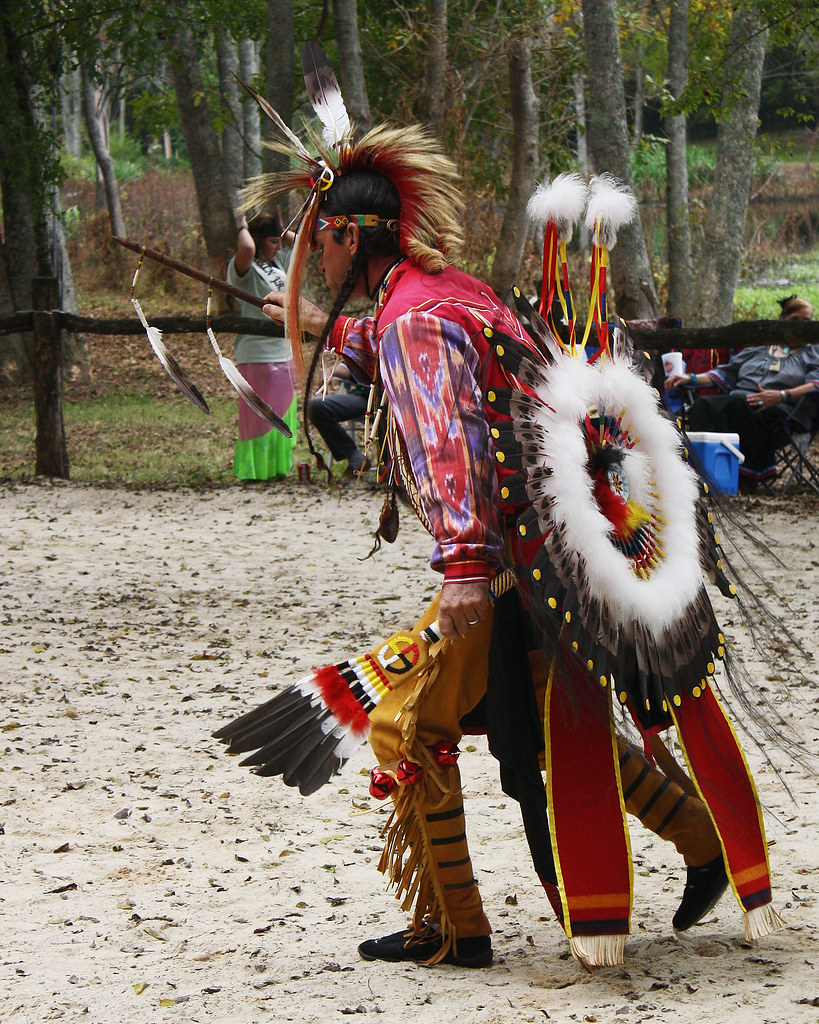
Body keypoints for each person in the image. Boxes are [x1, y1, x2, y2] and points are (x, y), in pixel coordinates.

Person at [255, 112, 781, 971]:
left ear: (351, 236)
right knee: (535, 726)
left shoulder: (411, 321)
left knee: (405, 724)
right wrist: (324, 323)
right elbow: (425, 357)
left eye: (322, 242)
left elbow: (451, 439)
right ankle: (697, 839)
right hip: (555, 552)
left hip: (505, 564)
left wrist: (463, 565)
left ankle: (455, 929)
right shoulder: (443, 292)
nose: (316, 256)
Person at [665, 296, 818, 488]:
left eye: (807, 322)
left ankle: (744, 477)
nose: (802, 326)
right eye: (796, 320)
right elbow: (727, 371)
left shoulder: (813, 353)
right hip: (739, 403)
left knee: (734, 407)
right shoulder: (760, 348)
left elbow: (816, 384)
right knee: (704, 405)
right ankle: (700, 472)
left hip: (783, 410)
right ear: (782, 319)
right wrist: (691, 378)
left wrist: (780, 395)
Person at [226, 211, 297, 480]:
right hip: (257, 353)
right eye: (272, 241)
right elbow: (246, 247)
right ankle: (255, 471)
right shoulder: (243, 268)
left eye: (279, 241)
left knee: (282, 411)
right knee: (259, 415)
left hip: (284, 352)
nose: (278, 246)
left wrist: (281, 227)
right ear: (258, 240)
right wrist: (243, 224)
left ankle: (278, 469)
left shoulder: (277, 262)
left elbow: (300, 242)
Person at [307, 364, 369, 477]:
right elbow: (349, 365)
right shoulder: (367, 347)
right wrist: (331, 370)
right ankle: (357, 459)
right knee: (315, 406)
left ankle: (393, 471)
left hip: (396, 401)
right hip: (365, 398)